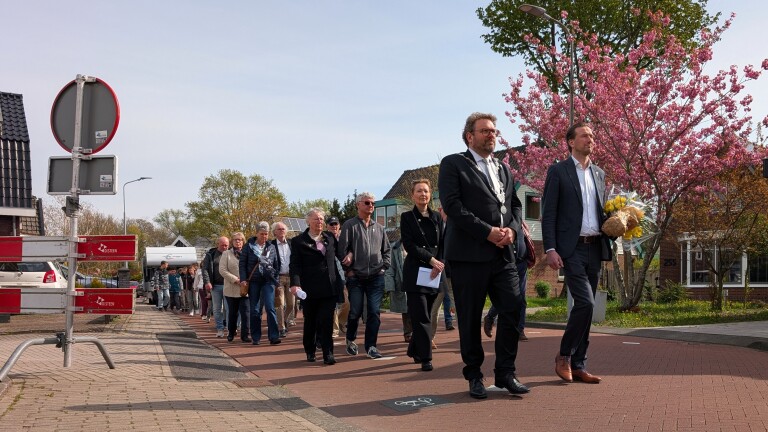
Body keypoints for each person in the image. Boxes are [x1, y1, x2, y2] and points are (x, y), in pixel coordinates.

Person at [438, 112, 529, 399]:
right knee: (469, 317)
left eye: (494, 130)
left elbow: (515, 205)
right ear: (469, 136)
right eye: (485, 131)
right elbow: (453, 206)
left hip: (503, 255)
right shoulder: (454, 164)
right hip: (468, 255)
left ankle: (505, 372)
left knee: (514, 306)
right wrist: (486, 231)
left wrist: (512, 230)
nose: (493, 135)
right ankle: (474, 375)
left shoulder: (503, 168)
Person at [541, 121, 611, 385]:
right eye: (584, 135)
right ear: (571, 142)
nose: (590, 139)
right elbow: (549, 213)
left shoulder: (600, 173)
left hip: (596, 246)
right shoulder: (558, 171)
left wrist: (618, 221)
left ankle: (580, 364)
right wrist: (550, 248)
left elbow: (601, 210)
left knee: (587, 309)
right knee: (585, 304)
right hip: (571, 249)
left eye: (592, 135)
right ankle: (564, 355)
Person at [339, 191, 391, 359]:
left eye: (373, 203)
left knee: (374, 312)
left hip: (376, 277)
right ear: (358, 205)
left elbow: (387, 250)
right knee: (355, 311)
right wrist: (349, 270)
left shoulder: (380, 228)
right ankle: (351, 339)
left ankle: (371, 346)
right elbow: (342, 250)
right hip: (356, 277)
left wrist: (384, 267)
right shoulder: (349, 225)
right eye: (367, 203)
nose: (371, 206)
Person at [289, 208, 345, 365]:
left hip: (329, 287)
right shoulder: (298, 241)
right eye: (316, 219)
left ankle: (328, 353)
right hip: (309, 289)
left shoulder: (330, 238)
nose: (320, 221)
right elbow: (295, 265)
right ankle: (310, 350)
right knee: (311, 322)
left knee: (326, 321)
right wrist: (295, 284)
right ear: (308, 221)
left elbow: (338, 258)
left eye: (321, 219)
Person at [401, 179, 444, 372]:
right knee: (422, 316)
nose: (423, 194)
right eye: (419, 191)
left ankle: (414, 350)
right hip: (416, 272)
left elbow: (443, 242)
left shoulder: (437, 217)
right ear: (413, 195)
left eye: (426, 191)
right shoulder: (407, 217)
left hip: (435, 273)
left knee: (425, 315)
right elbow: (410, 245)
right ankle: (426, 358)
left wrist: (440, 263)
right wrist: (431, 260)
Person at [483, 220, 533, 340]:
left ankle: (520, 330)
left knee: (521, 298)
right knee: (509, 297)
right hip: (509, 263)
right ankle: (490, 317)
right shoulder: (503, 219)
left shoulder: (520, 222)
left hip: (522, 263)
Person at [240, 221, 281, 345]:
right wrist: (243, 279)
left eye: (266, 234)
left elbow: (277, 264)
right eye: (262, 234)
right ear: (256, 233)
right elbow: (242, 264)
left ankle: (274, 336)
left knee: (270, 308)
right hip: (254, 282)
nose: (264, 236)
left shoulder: (272, 247)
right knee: (255, 310)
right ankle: (256, 337)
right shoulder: (248, 247)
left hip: (268, 281)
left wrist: (276, 279)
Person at [220, 232, 250, 343]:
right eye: (235, 240)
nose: (238, 241)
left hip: (245, 288)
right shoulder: (226, 254)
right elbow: (222, 270)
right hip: (231, 288)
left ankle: (245, 335)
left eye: (240, 239)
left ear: (243, 241)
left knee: (246, 312)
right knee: (232, 313)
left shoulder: (248, 253)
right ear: (232, 242)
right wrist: (236, 280)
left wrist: (245, 281)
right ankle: (231, 332)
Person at [326, 216, 350, 338]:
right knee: (333, 305)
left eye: (336, 224)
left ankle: (341, 322)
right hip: (330, 277)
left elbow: (352, 249)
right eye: (331, 224)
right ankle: (334, 330)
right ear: (327, 226)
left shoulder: (344, 238)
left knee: (346, 303)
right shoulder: (324, 239)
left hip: (344, 276)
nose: (334, 226)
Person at [202, 237, 230, 338]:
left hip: (229, 285)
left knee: (228, 308)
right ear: (218, 244)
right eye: (222, 245)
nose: (225, 247)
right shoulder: (211, 255)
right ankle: (220, 328)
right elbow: (204, 269)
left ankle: (229, 327)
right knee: (217, 309)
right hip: (216, 286)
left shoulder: (231, 253)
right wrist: (207, 282)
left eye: (226, 245)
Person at [271, 221, 294, 338]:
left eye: (283, 229)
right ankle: (281, 327)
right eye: (279, 229)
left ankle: (283, 320)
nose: (281, 231)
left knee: (291, 304)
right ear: (274, 232)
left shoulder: (291, 243)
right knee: (280, 303)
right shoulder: (270, 245)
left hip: (291, 277)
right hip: (278, 278)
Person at [385, 238, 410, 343]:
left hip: (417, 280)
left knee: (418, 307)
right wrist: (390, 285)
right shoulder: (395, 247)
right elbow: (390, 268)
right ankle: (408, 333)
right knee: (406, 309)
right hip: (402, 282)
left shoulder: (418, 243)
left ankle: (421, 332)